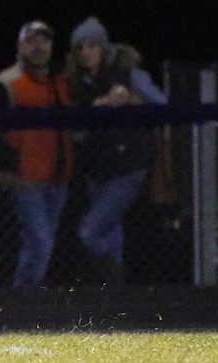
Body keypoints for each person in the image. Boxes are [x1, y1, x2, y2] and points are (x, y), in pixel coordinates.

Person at [65, 15, 167, 285]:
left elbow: (163, 105)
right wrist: (92, 110)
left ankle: (114, 284)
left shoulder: (129, 75)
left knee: (89, 231)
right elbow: (73, 128)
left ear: (103, 48)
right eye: (80, 48)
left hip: (127, 166)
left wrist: (131, 99)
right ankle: (118, 300)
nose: (86, 52)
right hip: (96, 168)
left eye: (91, 46)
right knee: (110, 232)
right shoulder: (76, 82)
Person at [0, 20, 74, 288]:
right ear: (20, 45)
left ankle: (27, 301)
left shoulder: (61, 82)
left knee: (42, 245)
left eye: (44, 40)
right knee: (40, 243)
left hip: (58, 180)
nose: (39, 47)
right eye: (32, 40)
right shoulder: (5, 84)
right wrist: (1, 174)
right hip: (24, 180)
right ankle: (23, 301)